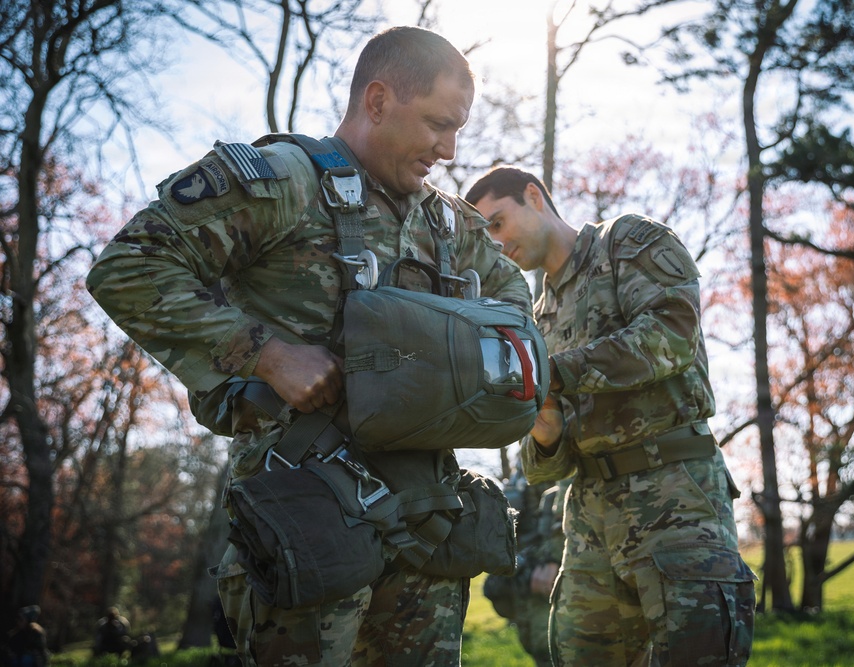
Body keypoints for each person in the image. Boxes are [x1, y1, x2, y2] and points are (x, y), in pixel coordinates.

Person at [87, 26, 531, 667]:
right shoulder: (280, 181)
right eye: (438, 123)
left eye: (457, 128)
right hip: (304, 512)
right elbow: (129, 267)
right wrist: (268, 354)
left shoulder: (450, 224)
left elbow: (517, 317)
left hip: (426, 519)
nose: (451, 149)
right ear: (377, 101)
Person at [466, 166, 757, 666]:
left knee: (698, 652)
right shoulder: (535, 320)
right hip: (587, 517)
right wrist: (548, 433)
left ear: (534, 197)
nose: (495, 243)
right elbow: (542, 470)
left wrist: (558, 373)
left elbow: (673, 335)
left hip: (674, 496)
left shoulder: (625, 242)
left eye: (497, 223)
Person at [484, 466, 567, 666]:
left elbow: (569, 503)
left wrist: (553, 559)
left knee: (557, 651)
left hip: (548, 569)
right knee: (539, 649)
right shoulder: (522, 459)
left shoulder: (556, 450)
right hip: (525, 570)